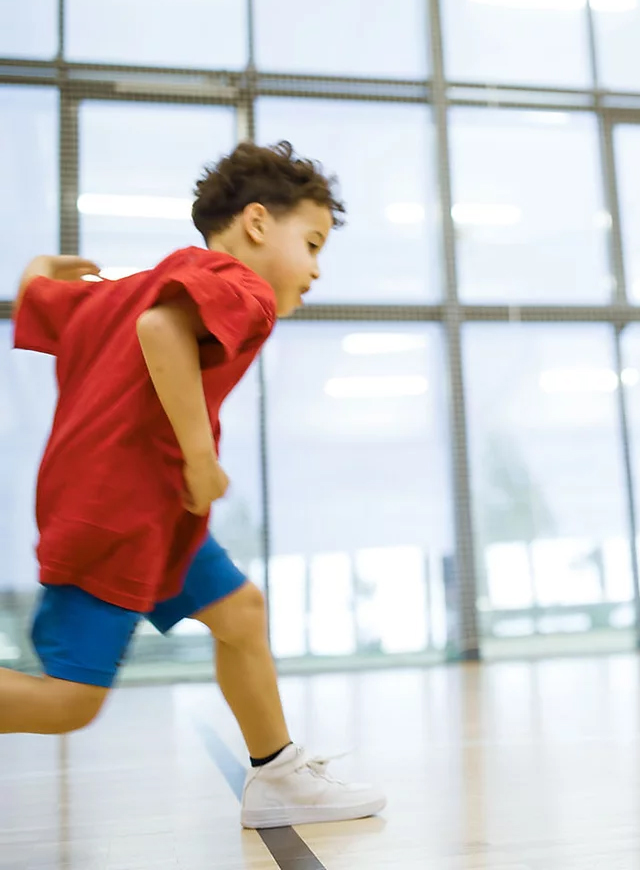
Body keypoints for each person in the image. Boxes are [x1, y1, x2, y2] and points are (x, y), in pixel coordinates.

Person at [3, 141, 385, 830]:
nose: (317, 269)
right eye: (314, 242)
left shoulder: (137, 283)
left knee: (240, 614)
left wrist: (38, 273)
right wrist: (201, 458)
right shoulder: (245, 290)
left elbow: (42, 301)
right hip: (122, 514)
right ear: (259, 224)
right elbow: (161, 331)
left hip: (150, 514)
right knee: (69, 700)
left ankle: (278, 775)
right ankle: (280, 775)